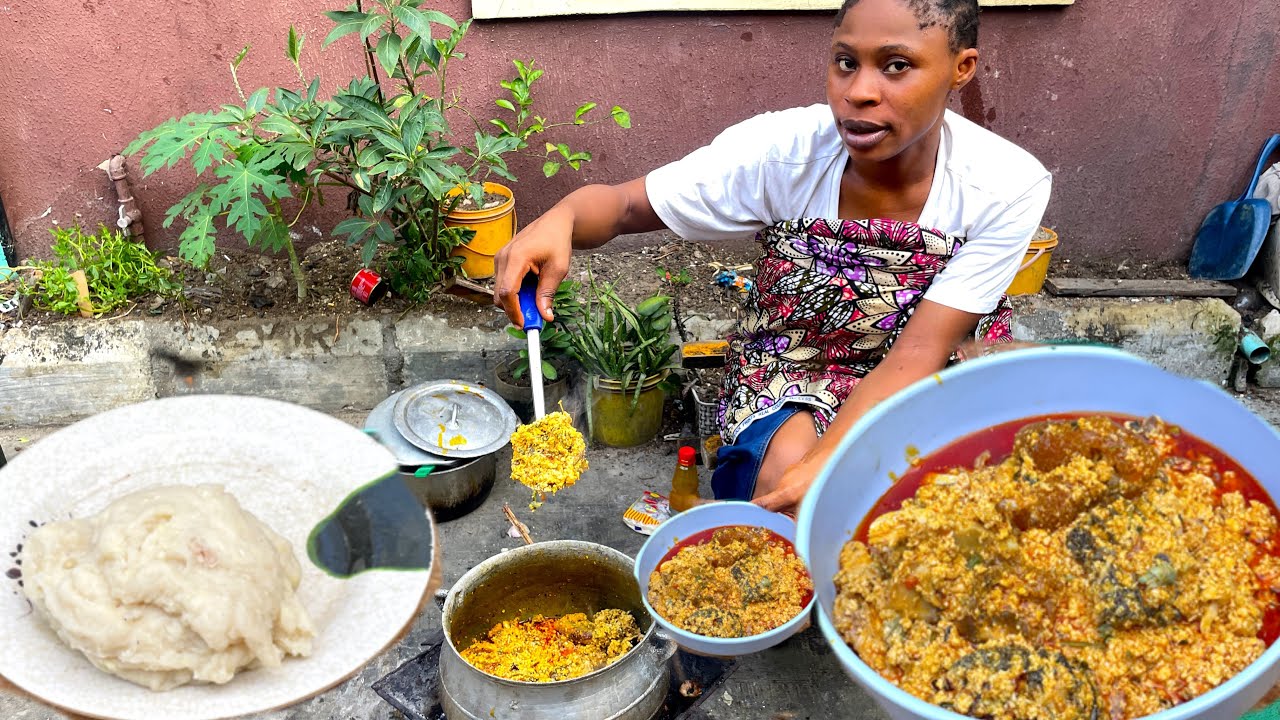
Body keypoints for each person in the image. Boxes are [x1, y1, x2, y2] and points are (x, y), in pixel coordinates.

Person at [493, 0, 1051, 516]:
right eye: (844, 62)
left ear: (962, 67)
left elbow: (923, 349)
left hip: (932, 371)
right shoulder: (781, 155)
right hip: (796, 367)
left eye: (897, 66)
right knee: (782, 489)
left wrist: (833, 457)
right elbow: (624, 206)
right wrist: (562, 216)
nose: (858, 92)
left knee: (923, 516)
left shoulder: (1005, 185)